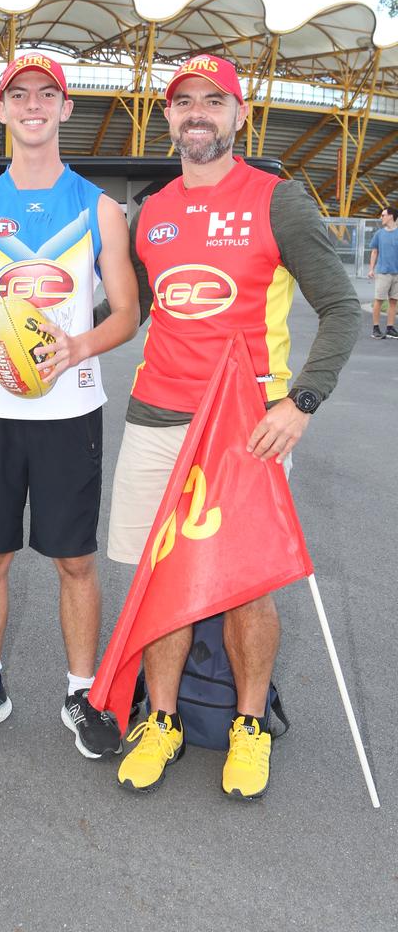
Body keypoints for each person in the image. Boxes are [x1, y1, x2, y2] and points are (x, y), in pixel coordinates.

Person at [105, 53, 361, 800]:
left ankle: (250, 726)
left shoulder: (278, 201)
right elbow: (134, 311)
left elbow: (343, 310)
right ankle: (162, 719)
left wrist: (301, 402)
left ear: (240, 114)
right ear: (170, 118)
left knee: (249, 586)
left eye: (213, 101)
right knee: (160, 576)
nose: (197, 114)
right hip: (157, 418)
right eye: (184, 102)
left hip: (247, 427)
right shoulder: (150, 209)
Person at [0, 51, 139, 758]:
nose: (31, 105)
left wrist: (77, 350)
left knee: (75, 561)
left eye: (44, 94)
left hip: (69, 410)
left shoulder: (97, 207)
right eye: (17, 94)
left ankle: (84, 694)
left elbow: (128, 312)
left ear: (65, 107)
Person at [368, 206, 398, 338]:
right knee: (378, 301)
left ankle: (390, 328)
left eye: (383, 215)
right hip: (383, 273)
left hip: (397, 274)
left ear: (391, 216)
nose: (381, 217)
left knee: (393, 301)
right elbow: (374, 252)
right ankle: (375, 328)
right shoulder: (379, 234)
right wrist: (371, 269)